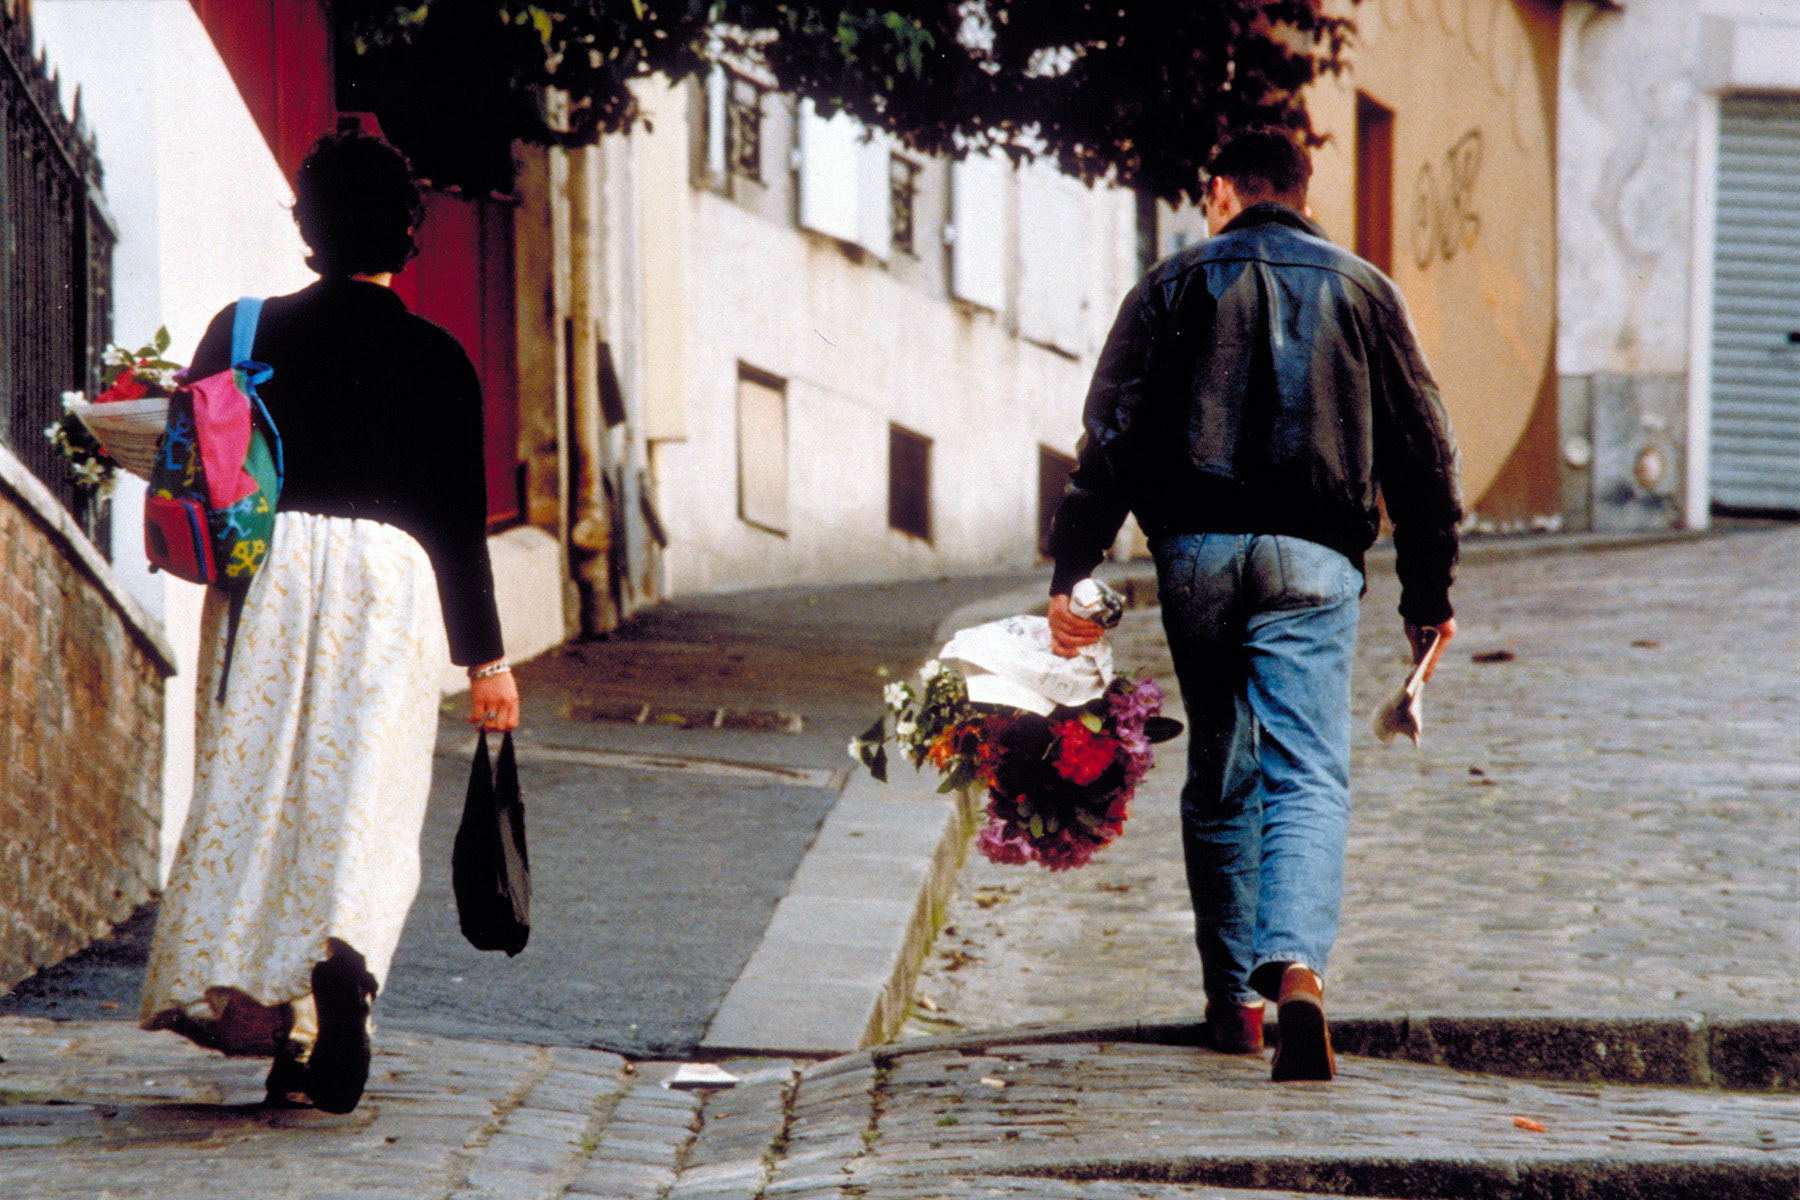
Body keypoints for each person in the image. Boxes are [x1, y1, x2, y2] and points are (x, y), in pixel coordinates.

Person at [1044, 129, 1462, 1082]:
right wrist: (1427, 594)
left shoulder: (1170, 284)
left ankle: (1233, 1004)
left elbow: (1108, 438)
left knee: (1221, 766)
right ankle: (1300, 976)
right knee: (1308, 771)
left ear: (1222, 190)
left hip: (1194, 553)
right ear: (1304, 195)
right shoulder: (1364, 290)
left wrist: (1072, 569)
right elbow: (1422, 453)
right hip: (1317, 559)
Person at [139, 131, 520, 1112]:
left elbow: (194, 456)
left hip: (266, 580)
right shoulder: (439, 358)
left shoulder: (244, 330)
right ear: (408, 229)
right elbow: (456, 521)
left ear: (306, 227)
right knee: (363, 800)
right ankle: (340, 972)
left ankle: (270, 1009)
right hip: (391, 586)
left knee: (258, 792)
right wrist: (486, 660)